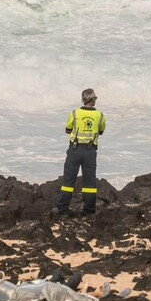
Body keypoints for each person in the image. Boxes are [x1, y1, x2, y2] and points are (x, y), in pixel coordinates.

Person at [57, 88, 106, 216]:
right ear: (92, 99)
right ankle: (89, 211)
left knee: (68, 182)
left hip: (74, 150)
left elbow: (68, 129)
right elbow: (101, 131)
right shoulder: (100, 115)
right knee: (89, 183)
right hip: (90, 152)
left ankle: (63, 210)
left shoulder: (74, 113)